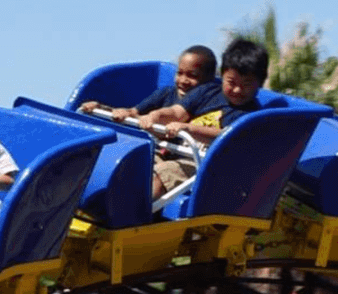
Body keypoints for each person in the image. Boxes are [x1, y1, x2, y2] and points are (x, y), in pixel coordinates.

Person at [138, 38, 267, 198]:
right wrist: (155, 116)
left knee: (163, 175)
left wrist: (188, 129)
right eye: (231, 82)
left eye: (246, 84)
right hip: (173, 151)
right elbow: (177, 112)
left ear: (259, 83)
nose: (237, 90)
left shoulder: (252, 116)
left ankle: (135, 212)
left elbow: (226, 137)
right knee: (139, 160)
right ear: (223, 75)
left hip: (204, 166)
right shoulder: (207, 92)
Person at [80, 45, 217, 121]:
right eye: (180, 73)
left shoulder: (210, 104)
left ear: (209, 78)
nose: (183, 80)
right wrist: (100, 108)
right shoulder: (166, 94)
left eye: (192, 76)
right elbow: (131, 113)